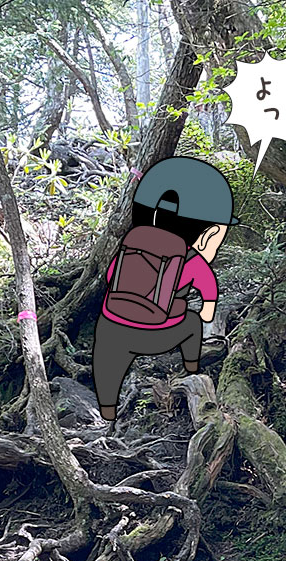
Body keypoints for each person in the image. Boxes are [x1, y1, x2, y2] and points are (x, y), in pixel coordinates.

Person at [92, 156, 232, 422]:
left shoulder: (131, 242)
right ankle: (192, 369)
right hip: (154, 332)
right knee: (191, 322)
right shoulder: (191, 258)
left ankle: (107, 410)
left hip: (111, 325)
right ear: (208, 235)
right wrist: (206, 311)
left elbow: (111, 277)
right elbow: (208, 293)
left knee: (106, 358)